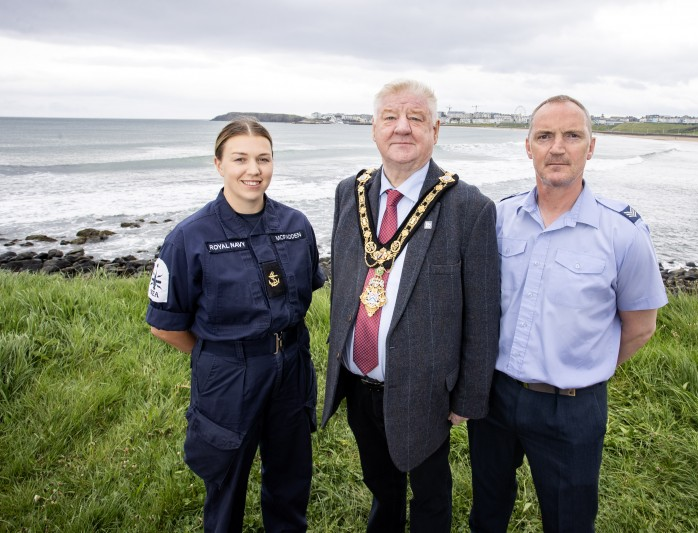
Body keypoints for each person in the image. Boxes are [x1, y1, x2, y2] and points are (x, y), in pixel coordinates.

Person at [468, 95, 669, 532]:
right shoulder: (498, 218)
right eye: (545, 136)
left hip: (572, 408)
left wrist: (582, 368)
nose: (557, 147)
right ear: (528, 147)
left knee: (569, 522)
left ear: (590, 147)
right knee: (486, 511)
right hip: (495, 399)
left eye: (571, 135)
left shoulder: (623, 233)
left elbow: (640, 326)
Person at [321, 79, 500, 532]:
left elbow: (482, 314)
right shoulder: (349, 193)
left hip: (425, 391)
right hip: (360, 381)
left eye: (416, 118)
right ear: (374, 129)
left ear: (435, 130)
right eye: (390, 118)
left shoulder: (469, 207)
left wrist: (468, 398)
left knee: (430, 494)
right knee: (381, 485)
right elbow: (344, 280)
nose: (402, 128)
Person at [146, 118, 326, 532]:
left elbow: (304, 292)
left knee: (290, 478)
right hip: (229, 375)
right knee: (225, 480)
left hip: (292, 367)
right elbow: (165, 325)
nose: (253, 169)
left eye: (263, 158)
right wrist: (222, 357)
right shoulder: (189, 237)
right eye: (240, 158)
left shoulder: (296, 226)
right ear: (218, 164)